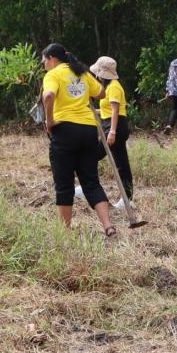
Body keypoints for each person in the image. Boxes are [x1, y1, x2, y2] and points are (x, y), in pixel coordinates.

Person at [40, 43, 116, 235]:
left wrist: (49, 122)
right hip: (88, 131)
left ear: (52, 59)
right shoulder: (81, 72)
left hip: (64, 131)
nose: (43, 64)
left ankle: (65, 233)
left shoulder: (53, 75)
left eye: (44, 60)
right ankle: (108, 226)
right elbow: (101, 92)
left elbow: (48, 95)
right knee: (91, 181)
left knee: (64, 183)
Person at [92, 56, 134, 208]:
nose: (96, 76)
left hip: (115, 126)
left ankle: (88, 189)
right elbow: (107, 110)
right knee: (121, 163)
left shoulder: (114, 87)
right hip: (111, 125)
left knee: (93, 156)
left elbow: (116, 111)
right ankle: (128, 198)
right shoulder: (109, 87)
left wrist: (112, 132)